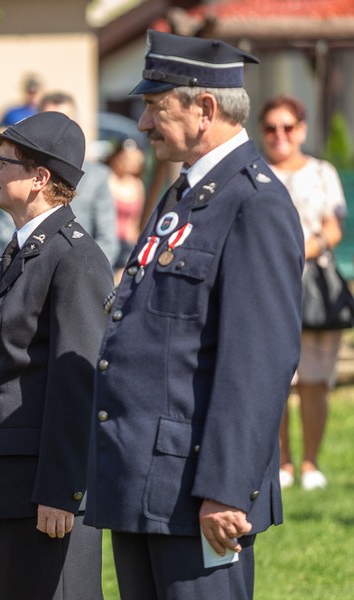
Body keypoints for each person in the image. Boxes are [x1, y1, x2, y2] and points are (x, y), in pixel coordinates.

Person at [86, 31, 304, 600]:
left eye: (156, 107)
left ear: (205, 109)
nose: (143, 124)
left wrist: (228, 489)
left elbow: (259, 359)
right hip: (145, 476)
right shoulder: (187, 192)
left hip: (197, 489)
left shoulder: (254, 203)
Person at [0, 111, 112, 600]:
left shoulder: (74, 258)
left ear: (40, 179)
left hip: (43, 487)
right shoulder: (21, 251)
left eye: (2, 162)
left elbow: (78, 380)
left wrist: (62, 490)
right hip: (7, 476)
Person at [259, 95, 348, 491]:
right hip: (265, 284)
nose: (280, 135)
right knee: (275, 379)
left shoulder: (322, 171)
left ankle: (311, 462)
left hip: (314, 285)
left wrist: (301, 251)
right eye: (272, 128)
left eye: (288, 127)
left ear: (302, 130)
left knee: (314, 380)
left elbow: (333, 228)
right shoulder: (255, 171)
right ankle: (283, 462)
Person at [0, 91, 121, 267]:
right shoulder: (18, 174)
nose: (55, 130)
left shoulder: (97, 176)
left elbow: (107, 238)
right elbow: (6, 231)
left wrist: (85, 272)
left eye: (64, 121)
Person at [106, 137, 147, 270]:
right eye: (126, 160)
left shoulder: (137, 185)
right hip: (107, 240)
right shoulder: (106, 179)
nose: (130, 165)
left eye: (135, 162)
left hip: (126, 245)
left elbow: (135, 221)